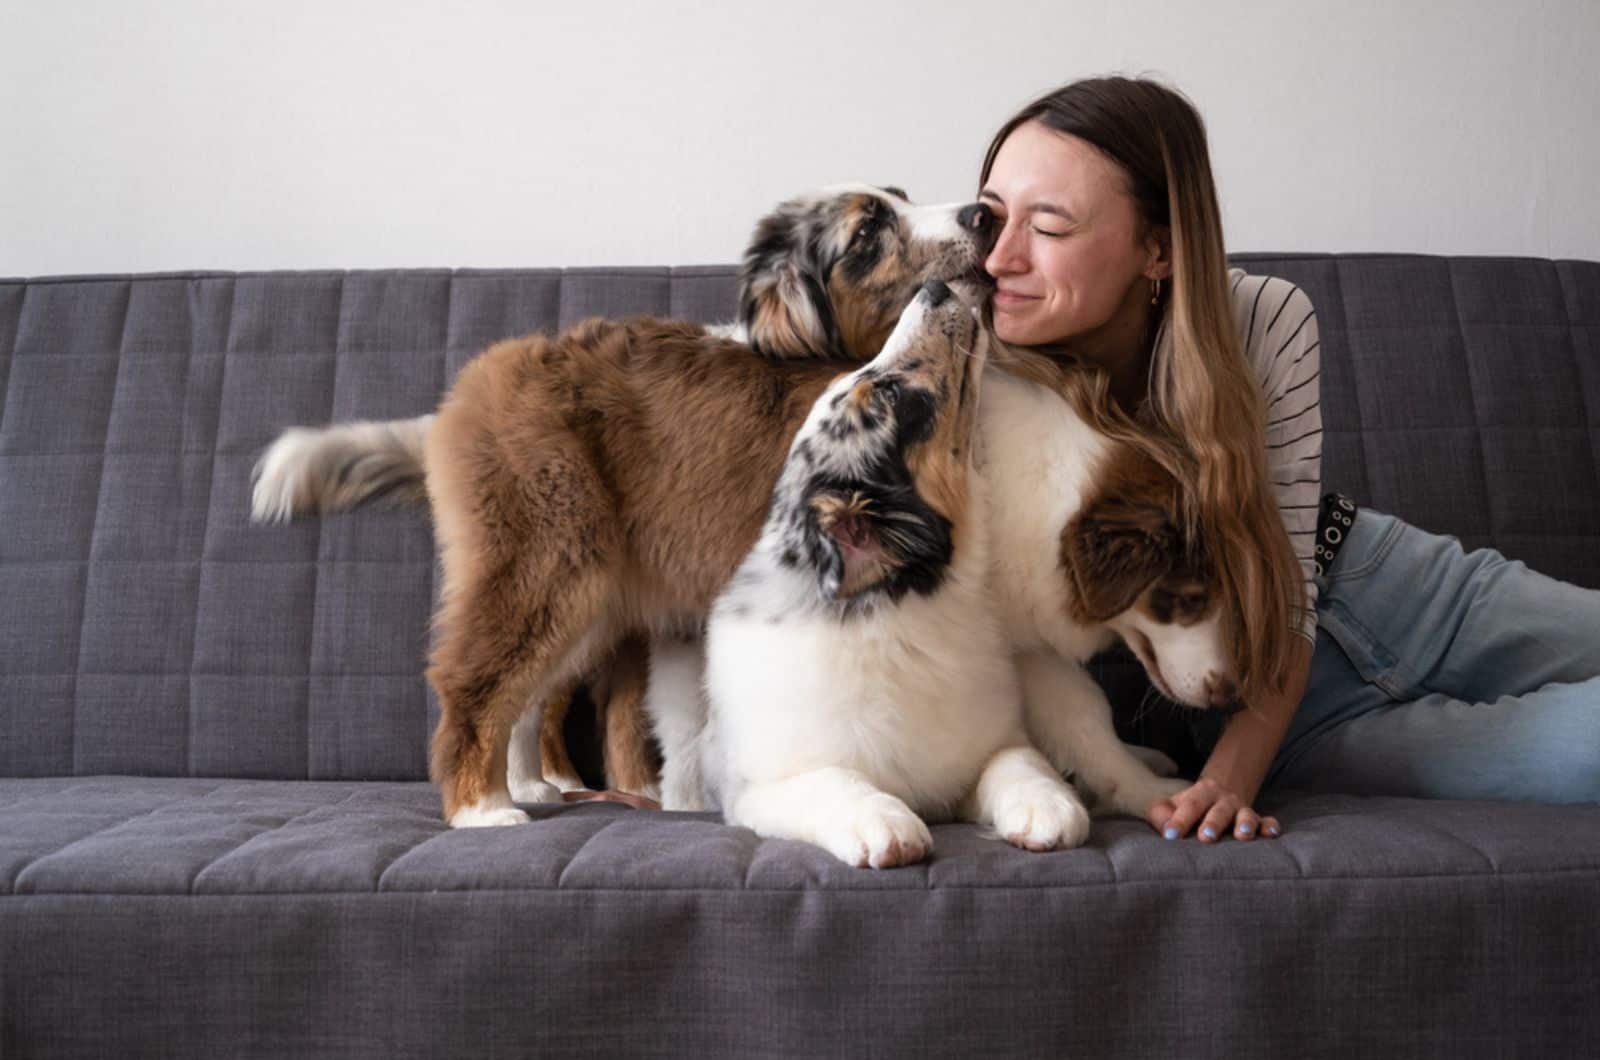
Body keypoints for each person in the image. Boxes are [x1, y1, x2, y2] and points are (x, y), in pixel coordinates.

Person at [977, 76, 1600, 843]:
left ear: (1158, 248)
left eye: (1050, 226)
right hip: (1267, 705)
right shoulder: (973, 371)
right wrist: (1230, 774)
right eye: (991, 218)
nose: (1000, 258)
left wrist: (1234, 777)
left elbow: (1290, 573)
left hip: (1394, 582)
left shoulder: (1264, 318)